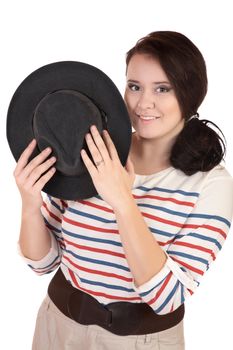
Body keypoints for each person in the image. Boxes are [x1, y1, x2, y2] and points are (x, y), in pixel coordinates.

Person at [14, 31, 233, 350]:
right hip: (56, 325)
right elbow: (42, 264)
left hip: (141, 341)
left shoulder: (212, 185)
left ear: (190, 94)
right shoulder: (95, 150)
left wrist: (122, 202)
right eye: (134, 87)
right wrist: (30, 204)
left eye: (163, 89)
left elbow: (166, 297)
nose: (144, 103)